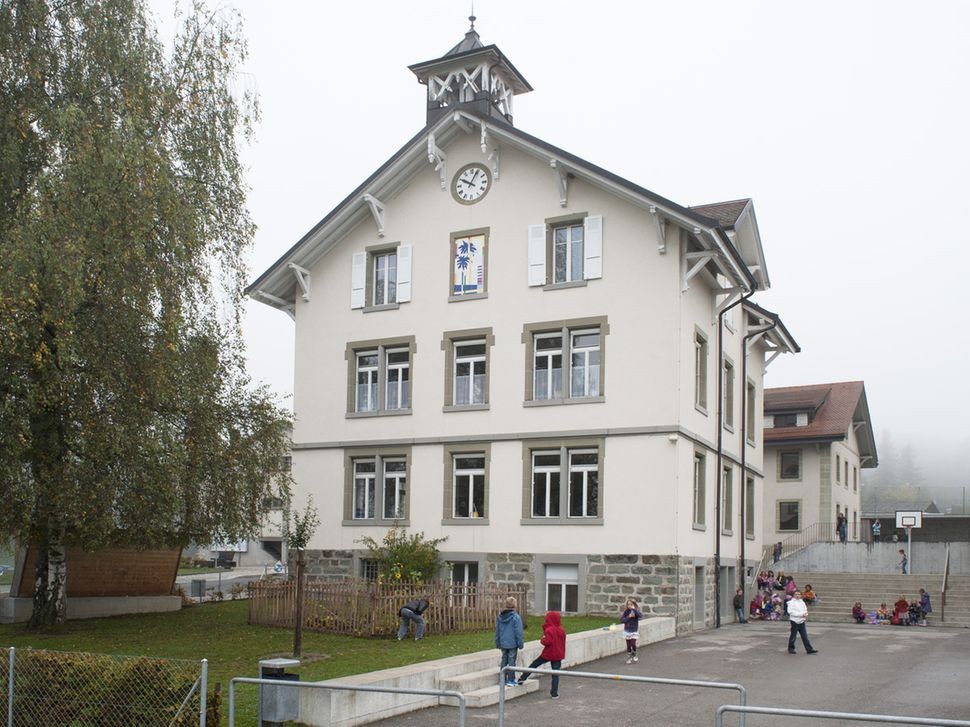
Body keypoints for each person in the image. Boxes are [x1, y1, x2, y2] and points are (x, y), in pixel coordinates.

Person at [517, 610, 566, 698]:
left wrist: (542, 640)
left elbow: (547, 641)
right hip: (558, 654)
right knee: (555, 674)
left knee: (535, 664)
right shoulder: (561, 630)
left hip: (549, 653)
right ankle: (554, 693)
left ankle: (523, 677)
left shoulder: (549, 629)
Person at [495, 596, 524, 686]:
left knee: (504, 659)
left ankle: (502, 679)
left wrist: (497, 642)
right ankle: (511, 679)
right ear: (515, 605)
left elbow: (497, 630)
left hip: (503, 642)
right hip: (512, 643)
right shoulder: (516, 617)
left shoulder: (500, 617)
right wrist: (520, 643)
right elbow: (518, 632)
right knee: (512, 661)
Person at [786, 590, 818, 654]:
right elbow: (790, 612)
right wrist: (801, 615)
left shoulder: (802, 602)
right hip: (794, 621)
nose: (797, 595)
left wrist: (805, 614)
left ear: (801, 595)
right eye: (796, 594)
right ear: (794, 595)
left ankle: (809, 649)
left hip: (802, 621)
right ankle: (791, 648)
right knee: (793, 636)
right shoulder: (791, 602)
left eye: (799, 594)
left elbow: (805, 610)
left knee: (805, 636)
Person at [620, 598, 644, 662]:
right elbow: (622, 620)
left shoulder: (636, 611)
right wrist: (629, 616)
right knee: (628, 645)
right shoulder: (626, 612)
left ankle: (634, 653)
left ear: (634, 605)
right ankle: (629, 657)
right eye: (628, 604)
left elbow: (640, 616)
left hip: (634, 630)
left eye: (631, 604)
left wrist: (634, 609)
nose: (629, 606)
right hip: (627, 631)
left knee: (633, 644)